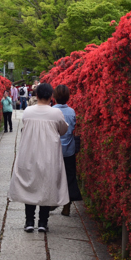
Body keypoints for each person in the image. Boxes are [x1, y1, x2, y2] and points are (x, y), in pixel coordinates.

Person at [8, 82, 69, 232]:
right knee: (46, 187)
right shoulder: (55, 113)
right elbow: (63, 130)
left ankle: (29, 221)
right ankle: (43, 223)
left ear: (36, 95)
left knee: (31, 186)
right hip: (49, 155)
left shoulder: (28, 111)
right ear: (51, 96)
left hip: (29, 154)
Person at [53, 84, 82, 216]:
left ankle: (52, 203)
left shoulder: (52, 111)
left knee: (54, 177)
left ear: (55, 96)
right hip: (69, 150)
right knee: (69, 177)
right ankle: (67, 205)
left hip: (54, 150)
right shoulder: (72, 111)